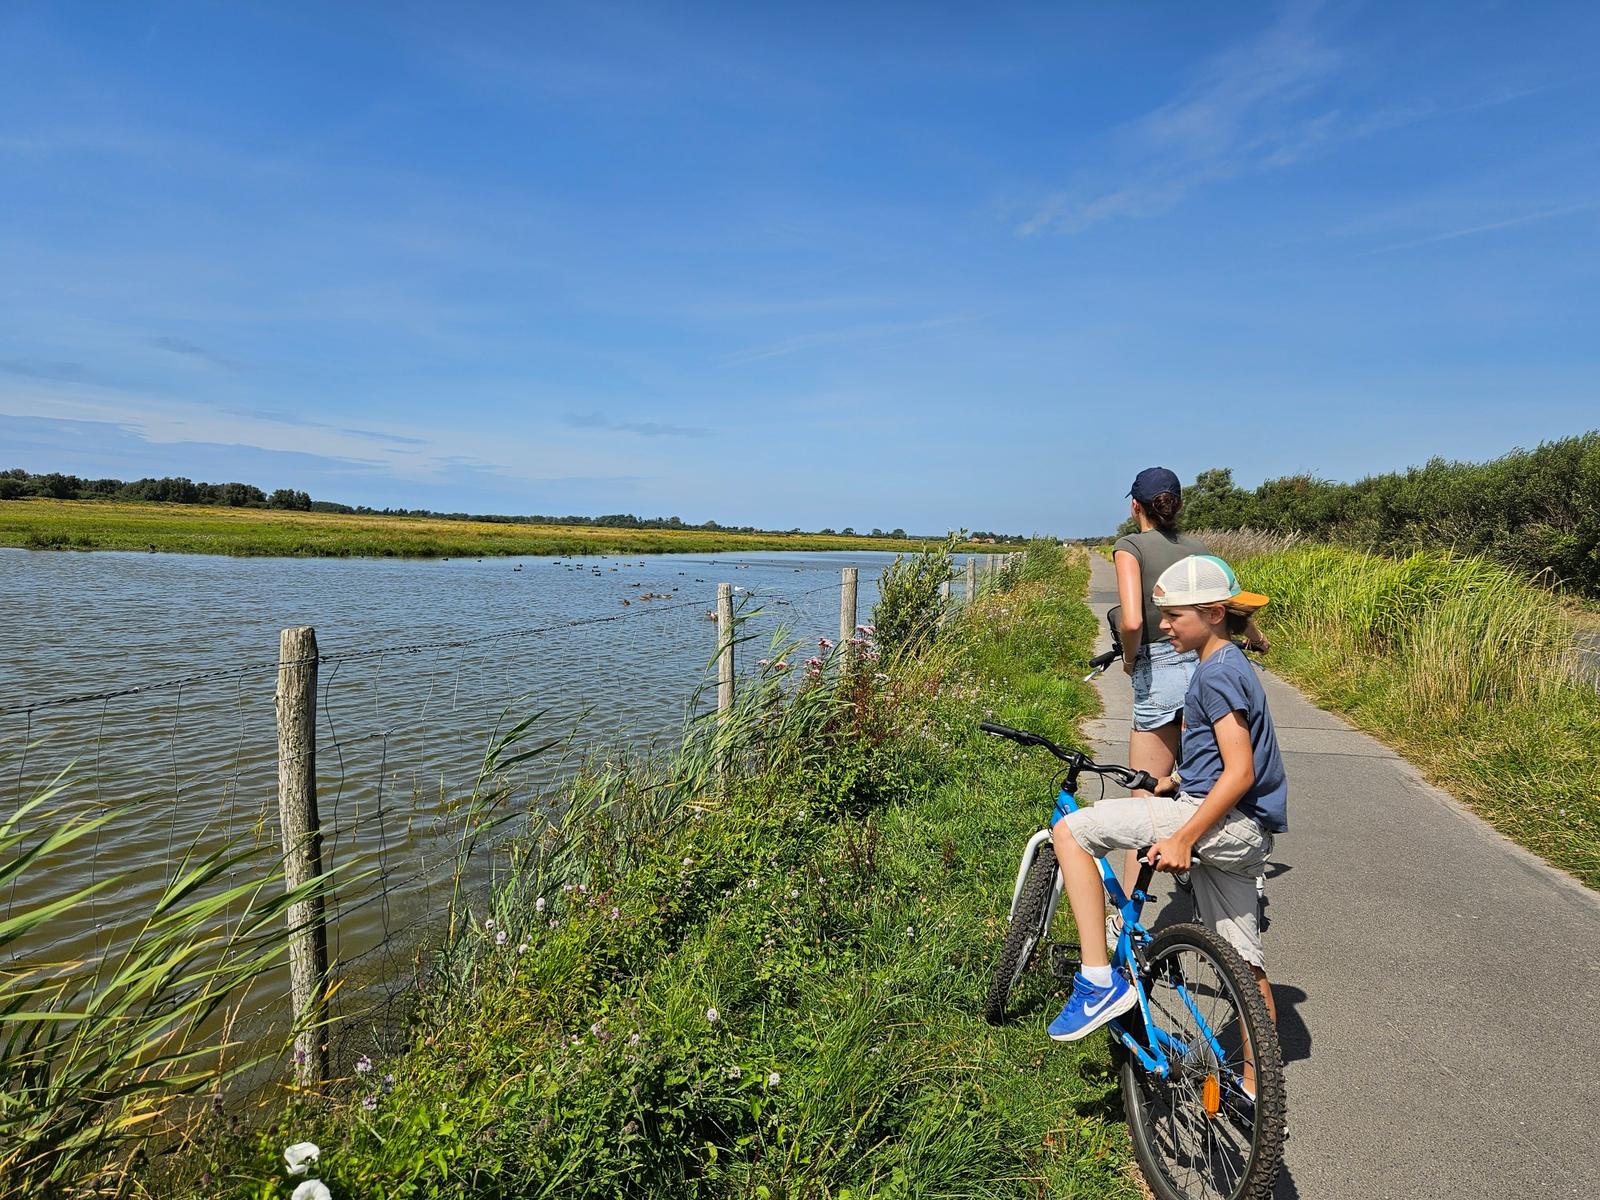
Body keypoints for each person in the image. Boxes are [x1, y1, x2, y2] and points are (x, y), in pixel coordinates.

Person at [1047, 554, 1287, 1051]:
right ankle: (1256, 1082)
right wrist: (1172, 780)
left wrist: (1183, 837)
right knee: (1244, 964)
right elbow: (1221, 759)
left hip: (1217, 820)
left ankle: (1096, 983)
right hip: (1248, 831)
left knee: (1071, 831)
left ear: (1214, 614)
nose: (1164, 625)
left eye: (1175, 615)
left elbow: (1240, 771)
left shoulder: (1216, 675)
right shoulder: (1229, 662)